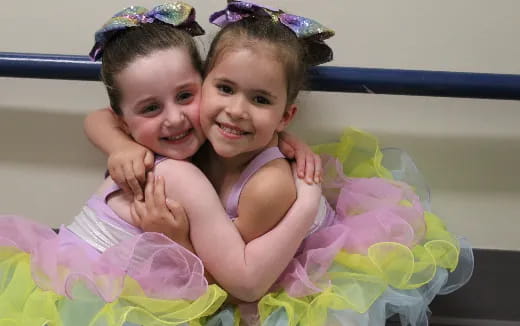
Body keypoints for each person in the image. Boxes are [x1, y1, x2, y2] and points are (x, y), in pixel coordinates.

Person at [94, 2, 473, 325]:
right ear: (203, 83)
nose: (236, 111)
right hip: (236, 266)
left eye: (260, 100)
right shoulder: (196, 135)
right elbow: (98, 118)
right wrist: (117, 147)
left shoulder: (269, 186)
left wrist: (173, 239)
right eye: (224, 88)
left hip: (269, 281)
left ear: (286, 115)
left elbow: (232, 284)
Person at [0, 3, 324, 325]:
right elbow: (243, 284)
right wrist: (119, 147)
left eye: (185, 96)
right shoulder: (178, 172)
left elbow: (242, 282)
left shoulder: (195, 152)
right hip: (97, 303)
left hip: (62, 279)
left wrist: (285, 142)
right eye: (151, 107)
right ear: (124, 122)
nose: (174, 119)